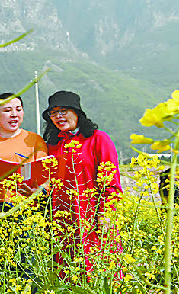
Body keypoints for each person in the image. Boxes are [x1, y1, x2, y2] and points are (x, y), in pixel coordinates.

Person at [42, 90, 122, 268]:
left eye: (63, 111)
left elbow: (112, 183)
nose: (58, 116)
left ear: (77, 112)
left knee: (97, 272)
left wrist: (106, 214)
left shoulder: (98, 139)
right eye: (53, 113)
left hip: (92, 218)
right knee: (66, 275)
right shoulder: (51, 145)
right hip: (61, 221)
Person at [0, 92, 48, 207]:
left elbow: (45, 177)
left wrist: (37, 192)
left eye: (18, 109)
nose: (14, 114)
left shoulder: (34, 140)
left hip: (25, 209)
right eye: (7, 110)